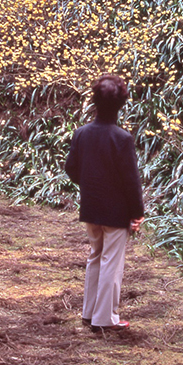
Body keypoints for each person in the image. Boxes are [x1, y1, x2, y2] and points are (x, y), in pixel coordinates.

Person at [64, 74, 144, 332]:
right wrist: (136, 212)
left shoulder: (81, 133)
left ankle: (89, 313)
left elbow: (71, 169)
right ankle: (105, 318)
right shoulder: (122, 138)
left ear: (94, 101)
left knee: (95, 256)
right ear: (122, 104)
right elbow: (131, 181)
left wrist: (89, 184)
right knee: (112, 261)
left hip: (91, 205)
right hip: (115, 210)